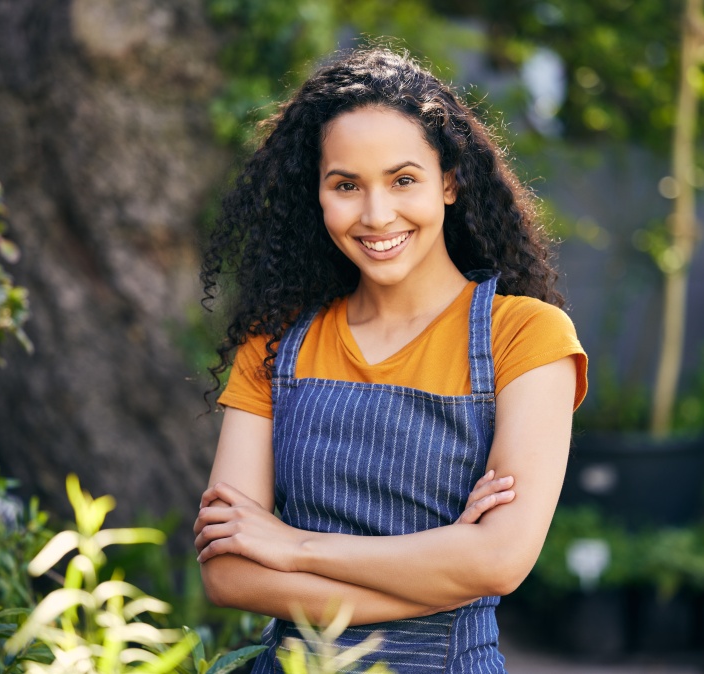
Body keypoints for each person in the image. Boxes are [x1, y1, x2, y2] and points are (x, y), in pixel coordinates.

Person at [193, 48, 588, 673]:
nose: (376, 215)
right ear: (317, 194)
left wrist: (291, 546)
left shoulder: (526, 337)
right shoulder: (275, 343)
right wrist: (440, 567)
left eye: (403, 180)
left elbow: (499, 563)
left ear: (450, 181)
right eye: (346, 185)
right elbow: (229, 572)